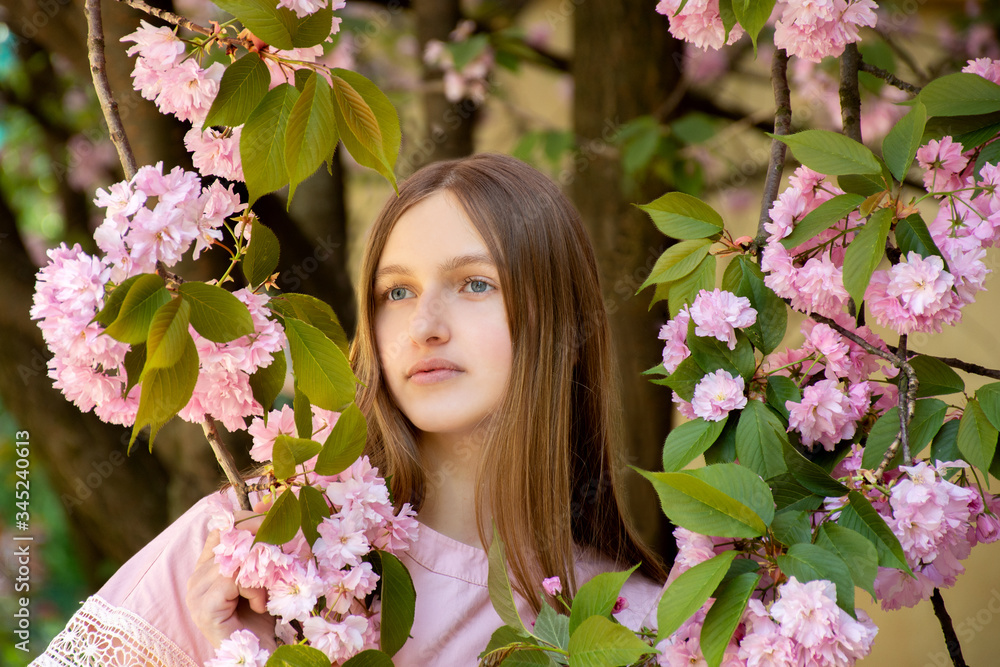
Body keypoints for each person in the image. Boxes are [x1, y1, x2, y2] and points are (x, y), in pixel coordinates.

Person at [32, 153, 668, 666]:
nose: (424, 325)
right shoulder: (251, 547)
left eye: (475, 283)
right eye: (397, 291)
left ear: (557, 315)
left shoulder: (640, 630)